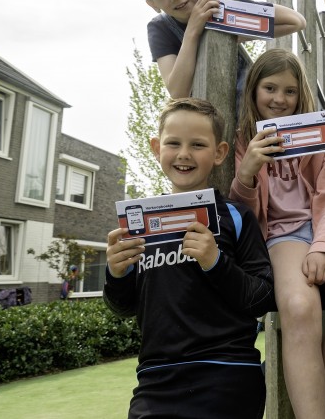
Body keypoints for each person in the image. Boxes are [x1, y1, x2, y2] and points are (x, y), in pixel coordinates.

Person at [104, 98, 274, 419]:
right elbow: (124, 307)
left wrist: (215, 262)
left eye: (197, 144)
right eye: (173, 143)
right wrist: (116, 273)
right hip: (155, 382)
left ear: (219, 153)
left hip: (227, 376)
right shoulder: (139, 224)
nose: (184, 153)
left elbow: (263, 298)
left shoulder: (236, 217)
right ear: (157, 148)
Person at [229, 48, 325, 418]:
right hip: (281, 233)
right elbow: (244, 216)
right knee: (298, 306)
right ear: (253, 90)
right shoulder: (243, 140)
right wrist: (247, 172)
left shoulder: (317, 134)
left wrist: (324, 247)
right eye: (270, 88)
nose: (280, 99)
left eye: (289, 91)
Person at [130, 0, 306, 98]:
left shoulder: (218, 5)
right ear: (153, 4)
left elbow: (296, 21)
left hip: (246, 107)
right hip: (204, 117)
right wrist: (193, 30)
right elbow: (178, 91)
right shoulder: (160, 27)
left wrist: (232, 36)